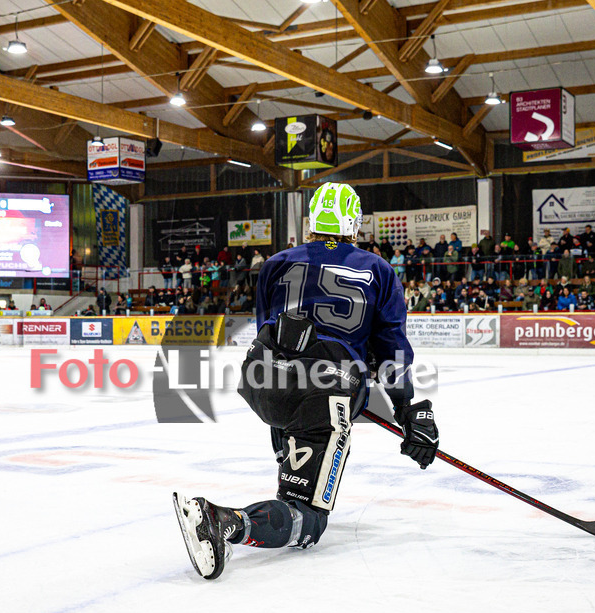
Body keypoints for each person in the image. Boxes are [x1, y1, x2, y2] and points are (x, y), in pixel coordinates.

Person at [173, 182, 438, 580]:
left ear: (312, 219)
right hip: (324, 385)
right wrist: (409, 410)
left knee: (294, 452)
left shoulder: (276, 262)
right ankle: (224, 521)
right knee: (309, 518)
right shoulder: (377, 268)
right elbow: (391, 352)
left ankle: (289, 482)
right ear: (355, 221)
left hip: (261, 376)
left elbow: (270, 325)